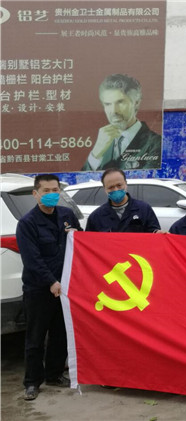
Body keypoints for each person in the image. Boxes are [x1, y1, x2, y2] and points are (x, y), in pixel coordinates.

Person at [16, 174, 82, 400]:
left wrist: (77, 235)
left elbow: (80, 243)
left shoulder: (67, 215)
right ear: (35, 194)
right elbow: (32, 259)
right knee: (35, 338)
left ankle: (54, 374)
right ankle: (32, 382)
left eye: (55, 190)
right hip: (39, 289)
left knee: (60, 334)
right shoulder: (27, 223)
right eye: (46, 191)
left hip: (65, 287)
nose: (52, 194)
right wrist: (51, 282)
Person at [83, 74, 161, 170]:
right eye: (107, 104)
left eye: (120, 102)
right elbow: (82, 178)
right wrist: (95, 154)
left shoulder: (156, 143)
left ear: (136, 103)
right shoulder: (101, 142)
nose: (113, 111)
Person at [85, 168, 163, 233]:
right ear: (105, 189)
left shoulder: (144, 209)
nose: (116, 190)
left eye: (119, 185)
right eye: (111, 187)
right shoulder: (96, 217)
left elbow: (154, 235)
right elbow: (89, 242)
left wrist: (158, 233)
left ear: (125, 184)